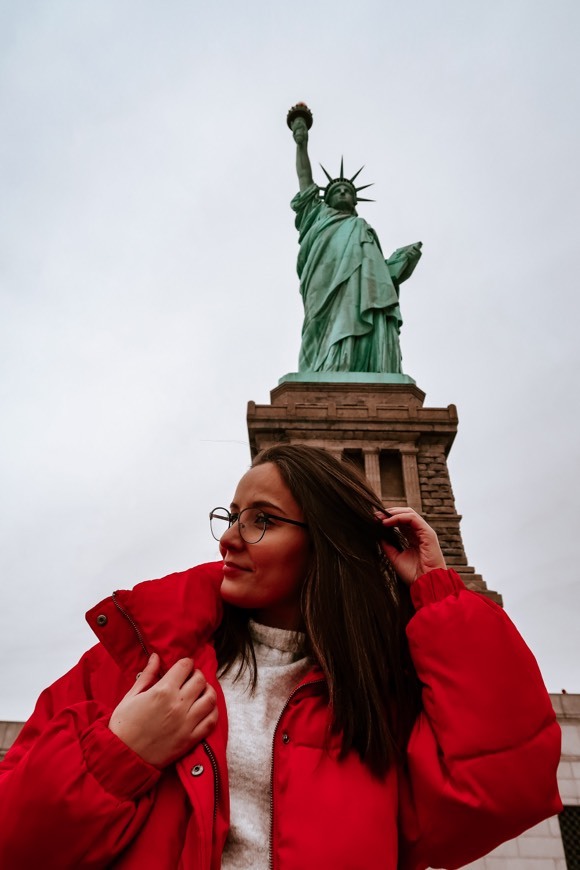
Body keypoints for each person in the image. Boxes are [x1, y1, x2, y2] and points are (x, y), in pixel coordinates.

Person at [0, 444, 561, 869]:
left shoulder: (380, 693)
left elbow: (497, 797)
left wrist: (436, 590)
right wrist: (120, 756)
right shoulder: (140, 659)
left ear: (326, 542)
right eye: (233, 515)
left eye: (261, 519)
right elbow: (14, 838)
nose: (229, 538)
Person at [290, 114, 423, 373]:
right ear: (325, 200)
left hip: (359, 290)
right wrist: (301, 144)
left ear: (354, 201)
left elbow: (379, 278)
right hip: (322, 282)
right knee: (318, 325)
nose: (342, 192)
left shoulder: (363, 229)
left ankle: (355, 365)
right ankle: (322, 368)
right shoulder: (317, 216)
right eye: (335, 191)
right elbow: (305, 179)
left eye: (348, 192)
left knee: (359, 314)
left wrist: (399, 261)